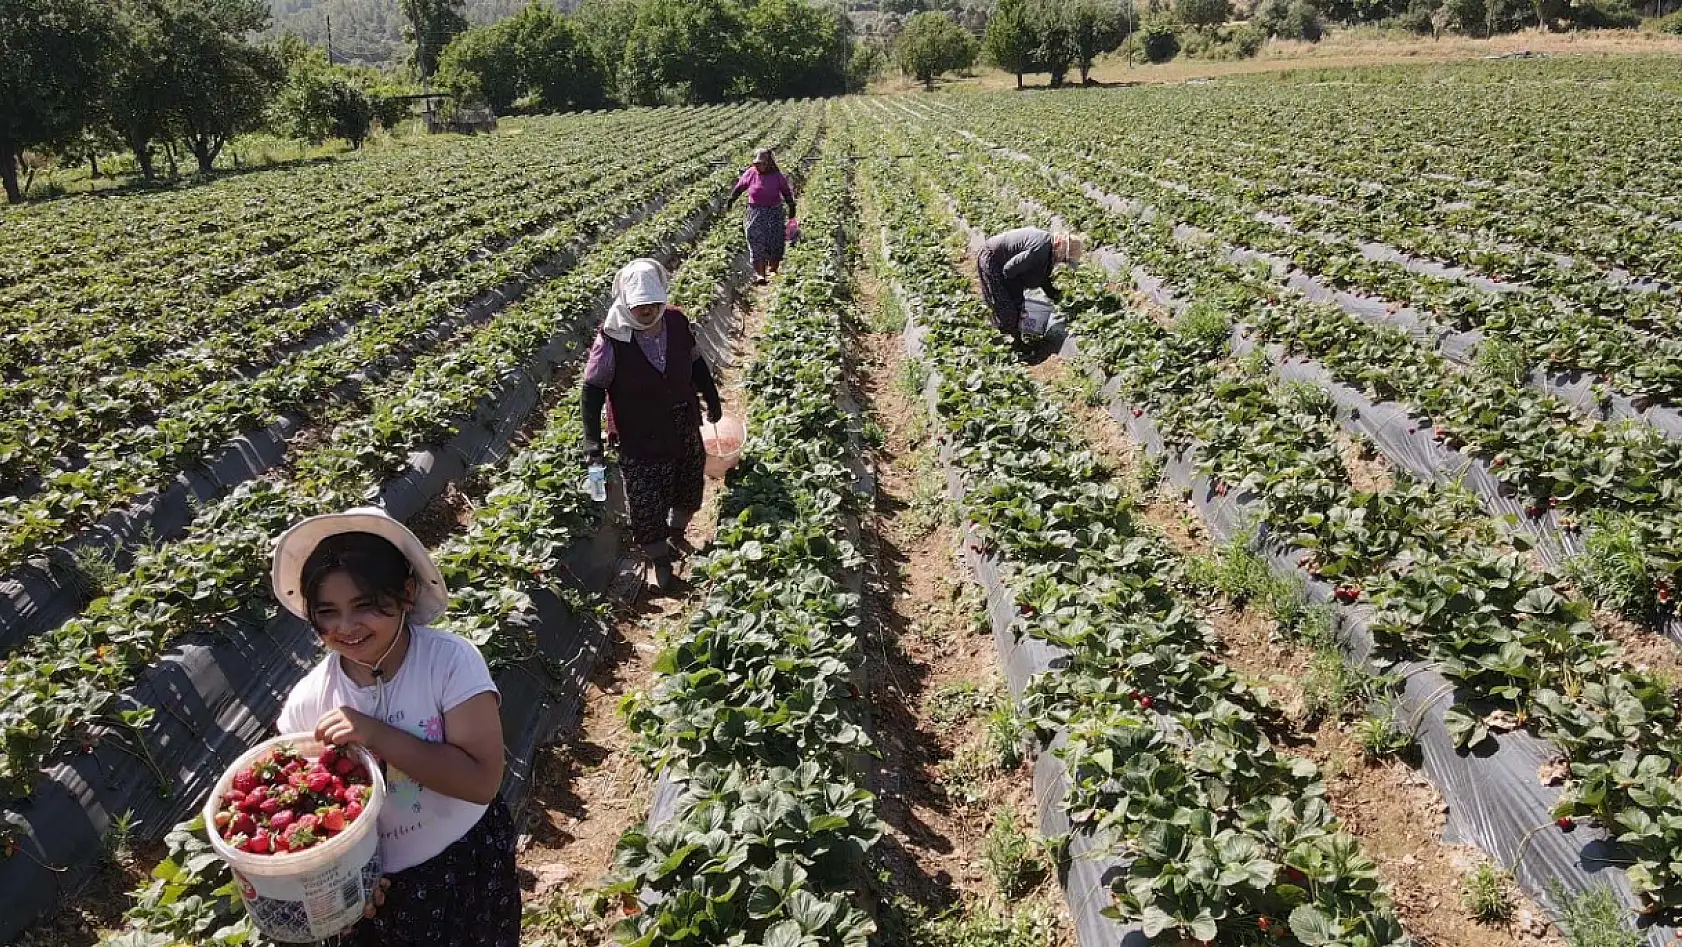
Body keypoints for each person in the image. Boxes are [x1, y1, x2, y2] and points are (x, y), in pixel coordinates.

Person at [270, 508, 517, 947]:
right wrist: (347, 885)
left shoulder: (448, 663)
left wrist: (375, 733)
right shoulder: (309, 703)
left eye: (364, 605)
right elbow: (310, 817)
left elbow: (482, 781)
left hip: (465, 860)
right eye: (327, 612)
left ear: (405, 593)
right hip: (378, 893)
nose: (345, 627)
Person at [581, 258, 724, 591]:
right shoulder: (613, 337)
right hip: (638, 432)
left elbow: (695, 361)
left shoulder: (674, 321)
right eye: (640, 305)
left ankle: (677, 531)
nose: (647, 310)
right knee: (647, 496)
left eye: (653, 303)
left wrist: (711, 397)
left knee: (689, 478)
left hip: (681, 419)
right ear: (628, 302)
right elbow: (592, 391)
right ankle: (659, 557)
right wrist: (593, 444)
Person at [976, 228, 1085, 345]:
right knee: (1005, 306)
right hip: (992, 259)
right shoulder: (1040, 249)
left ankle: (1014, 338)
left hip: (1006, 266)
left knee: (1012, 308)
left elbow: (1043, 279)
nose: (1062, 262)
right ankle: (1009, 342)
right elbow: (1009, 270)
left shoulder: (1048, 251)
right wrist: (1018, 300)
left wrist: (1056, 296)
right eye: (1064, 259)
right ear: (1061, 249)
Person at [726, 147, 797, 284]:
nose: (759, 166)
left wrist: (791, 205)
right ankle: (760, 274)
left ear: (769, 163)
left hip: (774, 212)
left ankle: (773, 269)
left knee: (775, 241)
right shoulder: (751, 173)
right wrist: (731, 199)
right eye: (757, 164)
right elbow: (740, 187)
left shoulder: (776, 176)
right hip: (755, 213)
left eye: (762, 164)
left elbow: (786, 191)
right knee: (755, 241)